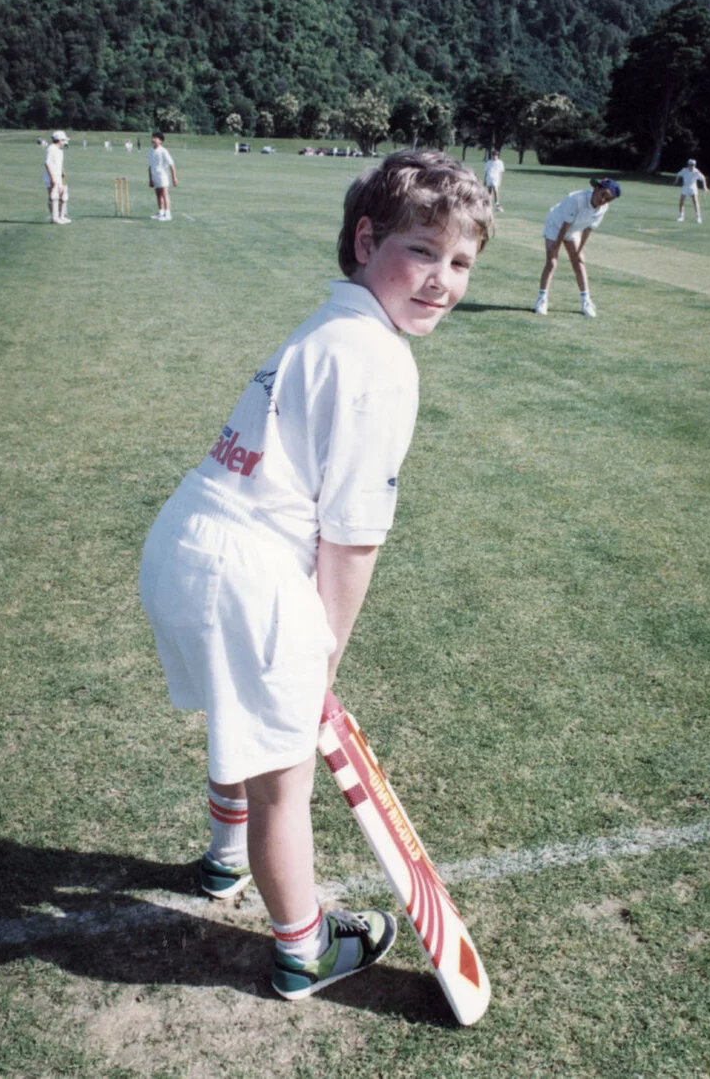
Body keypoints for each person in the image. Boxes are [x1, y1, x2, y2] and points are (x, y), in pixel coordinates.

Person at [139, 151, 492, 1001]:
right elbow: (352, 540)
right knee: (283, 781)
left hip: (184, 545)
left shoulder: (329, 325)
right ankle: (304, 947)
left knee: (239, 712)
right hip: (249, 576)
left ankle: (222, 862)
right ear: (366, 240)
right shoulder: (380, 362)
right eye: (423, 251)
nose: (442, 280)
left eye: (461, 263)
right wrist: (322, 658)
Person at [534, 177, 621, 317]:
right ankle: (541, 300)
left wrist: (579, 251)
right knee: (551, 262)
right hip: (556, 225)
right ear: (596, 188)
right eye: (603, 195)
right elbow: (564, 227)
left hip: (574, 230)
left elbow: (588, 230)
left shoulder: (603, 208)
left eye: (608, 199)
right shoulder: (575, 199)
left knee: (579, 263)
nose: (603, 200)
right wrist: (555, 247)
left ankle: (586, 301)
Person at [148, 130, 178, 221]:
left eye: (156, 138)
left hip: (163, 175)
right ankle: (161, 212)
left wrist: (174, 178)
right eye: (153, 137)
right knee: (158, 194)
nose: (153, 139)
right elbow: (150, 166)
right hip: (155, 175)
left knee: (165, 194)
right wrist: (150, 179)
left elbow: (171, 164)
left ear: (160, 141)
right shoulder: (150, 151)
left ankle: (168, 214)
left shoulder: (163, 151)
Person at [43, 130, 71, 225]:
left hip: (59, 176)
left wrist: (62, 171)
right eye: (63, 140)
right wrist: (52, 179)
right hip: (52, 177)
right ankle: (54, 218)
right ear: (59, 140)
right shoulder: (51, 149)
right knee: (54, 196)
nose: (65, 142)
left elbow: (59, 163)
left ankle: (62, 216)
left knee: (63, 195)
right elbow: (47, 164)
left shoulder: (60, 150)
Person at [674, 158, 708, 224]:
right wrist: (676, 181)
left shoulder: (697, 172)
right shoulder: (684, 170)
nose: (692, 166)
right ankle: (681, 216)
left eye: (693, 165)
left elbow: (703, 178)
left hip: (693, 188)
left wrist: (705, 187)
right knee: (681, 202)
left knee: (695, 202)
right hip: (685, 187)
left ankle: (698, 217)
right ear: (688, 164)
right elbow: (678, 174)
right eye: (690, 165)